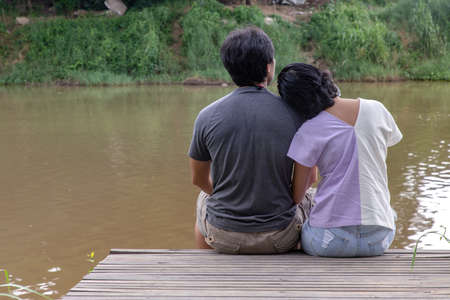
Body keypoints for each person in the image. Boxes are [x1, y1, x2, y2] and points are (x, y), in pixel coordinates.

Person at [188, 27, 313, 254]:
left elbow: (198, 179)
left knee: (203, 199)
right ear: (268, 67)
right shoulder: (297, 114)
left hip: (224, 236)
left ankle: (206, 261)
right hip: (280, 237)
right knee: (310, 196)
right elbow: (307, 182)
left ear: (229, 69)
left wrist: (227, 197)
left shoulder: (207, 116)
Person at [277, 63, 402, 257]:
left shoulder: (308, 130)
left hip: (329, 241)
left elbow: (299, 193)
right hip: (379, 239)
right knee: (389, 212)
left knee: (303, 225)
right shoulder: (377, 109)